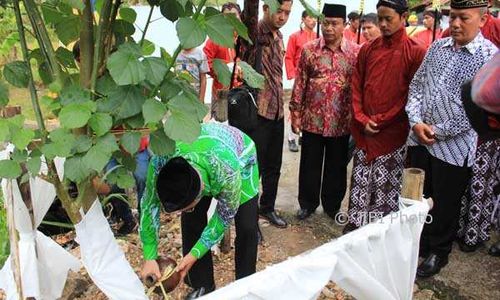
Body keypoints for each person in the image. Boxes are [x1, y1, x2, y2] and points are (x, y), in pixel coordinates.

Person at [406, 0, 497, 277]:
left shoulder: (489, 56)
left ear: (482, 20)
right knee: (416, 194)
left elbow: (476, 107)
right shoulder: (437, 47)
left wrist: (437, 130)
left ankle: (438, 251)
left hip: (454, 146)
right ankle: (416, 244)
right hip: (419, 137)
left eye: (463, 18)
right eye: (452, 17)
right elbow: (417, 86)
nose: (455, 24)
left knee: (445, 200)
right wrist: (415, 121)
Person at [139, 123, 259, 299]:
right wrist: (149, 256)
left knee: (247, 227)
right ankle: (203, 286)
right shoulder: (159, 163)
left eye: (190, 205)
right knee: (191, 221)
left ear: (200, 193)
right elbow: (149, 207)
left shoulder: (226, 170)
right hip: (196, 152)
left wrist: (195, 254)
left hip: (240, 158)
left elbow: (222, 218)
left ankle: (245, 287)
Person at [346, 0, 426, 233]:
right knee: (361, 179)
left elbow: (412, 96)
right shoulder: (368, 49)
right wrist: (361, 118)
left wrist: (381, 121)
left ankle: (381, 232)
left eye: (388, 19)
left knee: (385, 186)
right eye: (379, 18)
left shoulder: (415, 51)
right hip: (365, 129)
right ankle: (356, 226)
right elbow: (356, 86)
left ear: (404, 17)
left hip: (392, 132)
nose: (382, 24)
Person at [290, 3, 360, 221]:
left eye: (334, 24)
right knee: (309, 164)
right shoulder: (309, 50)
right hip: (313, 120)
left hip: (340, 121)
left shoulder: (355, 53)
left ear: (344, 25)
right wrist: (295, 114)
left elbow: (358, 86)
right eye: (326, 23)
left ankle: (332, 205)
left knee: (336, 166)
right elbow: (300, 83)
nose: (329, 28)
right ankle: (307, 204)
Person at [239, 0, 293, 228]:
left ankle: (267, 208)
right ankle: (247, 217)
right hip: (257, 112)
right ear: (266, 8)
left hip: (277, 111)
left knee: (273, 165)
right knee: (254, 167)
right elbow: (249, 14)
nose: (282, 16)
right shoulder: (253, 32)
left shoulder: (279, 37)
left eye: (287, 13)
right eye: (279, 11)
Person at [457, 52, 500, 256]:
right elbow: (479, 93)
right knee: (473, 184)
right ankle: (466, 232)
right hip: (482, 132)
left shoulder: (487, 48)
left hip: (486, 134)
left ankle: (474, 233)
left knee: (482, 185)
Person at [203, 2, 242, 122]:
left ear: (240, 17)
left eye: (234, 16)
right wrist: (224, 70)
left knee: (240, 125)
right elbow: (205, 63)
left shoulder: (244, 39)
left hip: (241, 91)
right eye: (226, 16)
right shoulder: (214, 38)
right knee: (221, 125)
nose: (230, 20)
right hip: (221, 92)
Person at [285, 10, 316, 152]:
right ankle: (291, 138)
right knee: (295, 107)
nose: (313, 20)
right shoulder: (294, 37)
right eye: (310, 17)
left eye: (315, 17)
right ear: (303, 19)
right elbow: (289, 57)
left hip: (313, 79)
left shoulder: (318, 37)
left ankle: (302, 133)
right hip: (298, 77)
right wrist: (291, 75)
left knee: (309, 107)